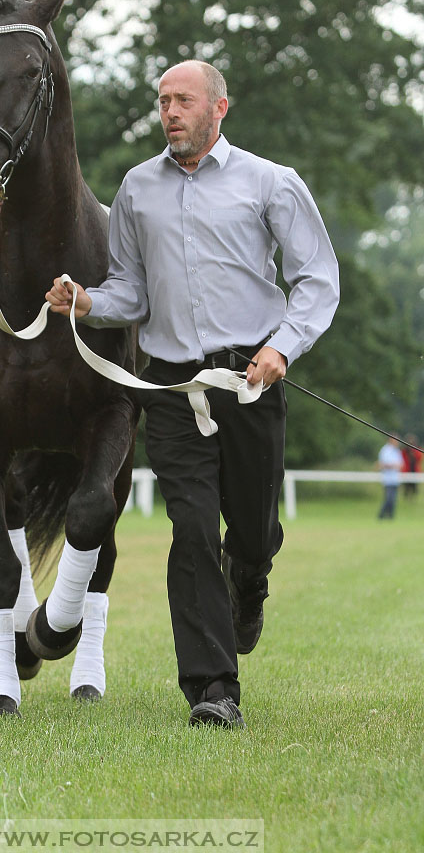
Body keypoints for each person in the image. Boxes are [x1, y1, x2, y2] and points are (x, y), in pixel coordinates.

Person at [45, 60, 339, 729]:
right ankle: (213, 690)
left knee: (252, 532)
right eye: (163, 101)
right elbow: (132, 292)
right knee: (192, 528)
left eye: (183, 100)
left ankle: (254, 572)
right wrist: (87, 301)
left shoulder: (270, 183)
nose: (170, 111)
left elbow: (317, 279)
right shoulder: (137, 189)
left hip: (249, 381)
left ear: (219, 109)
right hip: (172, 385)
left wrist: (281, 348)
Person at [377, 436, 403, 518]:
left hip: (395, 478)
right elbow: (382, 464)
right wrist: (393, 465)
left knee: (393, 500)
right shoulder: (385, 450)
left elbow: (401, 464)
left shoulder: (397, 451)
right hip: (387, 479)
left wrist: (395, 465)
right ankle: (381, 515)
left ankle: (391, 517)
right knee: (388, 499)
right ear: (391, 440)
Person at [400, 434, 422, 499]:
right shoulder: (404, 451)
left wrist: (413, 453)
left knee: (414, 486)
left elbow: (419, 458)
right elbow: (402, 459)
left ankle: (413, 498)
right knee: (406, 486)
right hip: (407, 470)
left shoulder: (417, 450)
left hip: (414, 470)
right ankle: (407, 498)